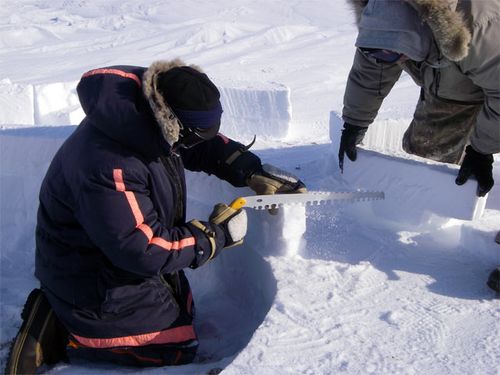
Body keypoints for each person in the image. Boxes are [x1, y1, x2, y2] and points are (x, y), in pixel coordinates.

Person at [5, 59, 306, 373]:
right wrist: (213, 236)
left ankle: (73, 320)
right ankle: (65, 332)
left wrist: (248, 169)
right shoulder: (109, 164)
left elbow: (195, 145)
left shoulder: (145, 114)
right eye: (192, 136)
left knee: (181, 319)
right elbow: (142, 249)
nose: (191, 144)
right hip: (93, 281)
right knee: (172, 350)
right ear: (172, 124)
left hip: (115, 265)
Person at [338, 0, 499, 197]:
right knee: (425, 165)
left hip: (486, 54)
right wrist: (354, 123)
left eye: (389, 54)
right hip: (457, 71)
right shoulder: (380, 17)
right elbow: (373, 68)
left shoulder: (480, 30)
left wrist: (481, 152)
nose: (382, 58)